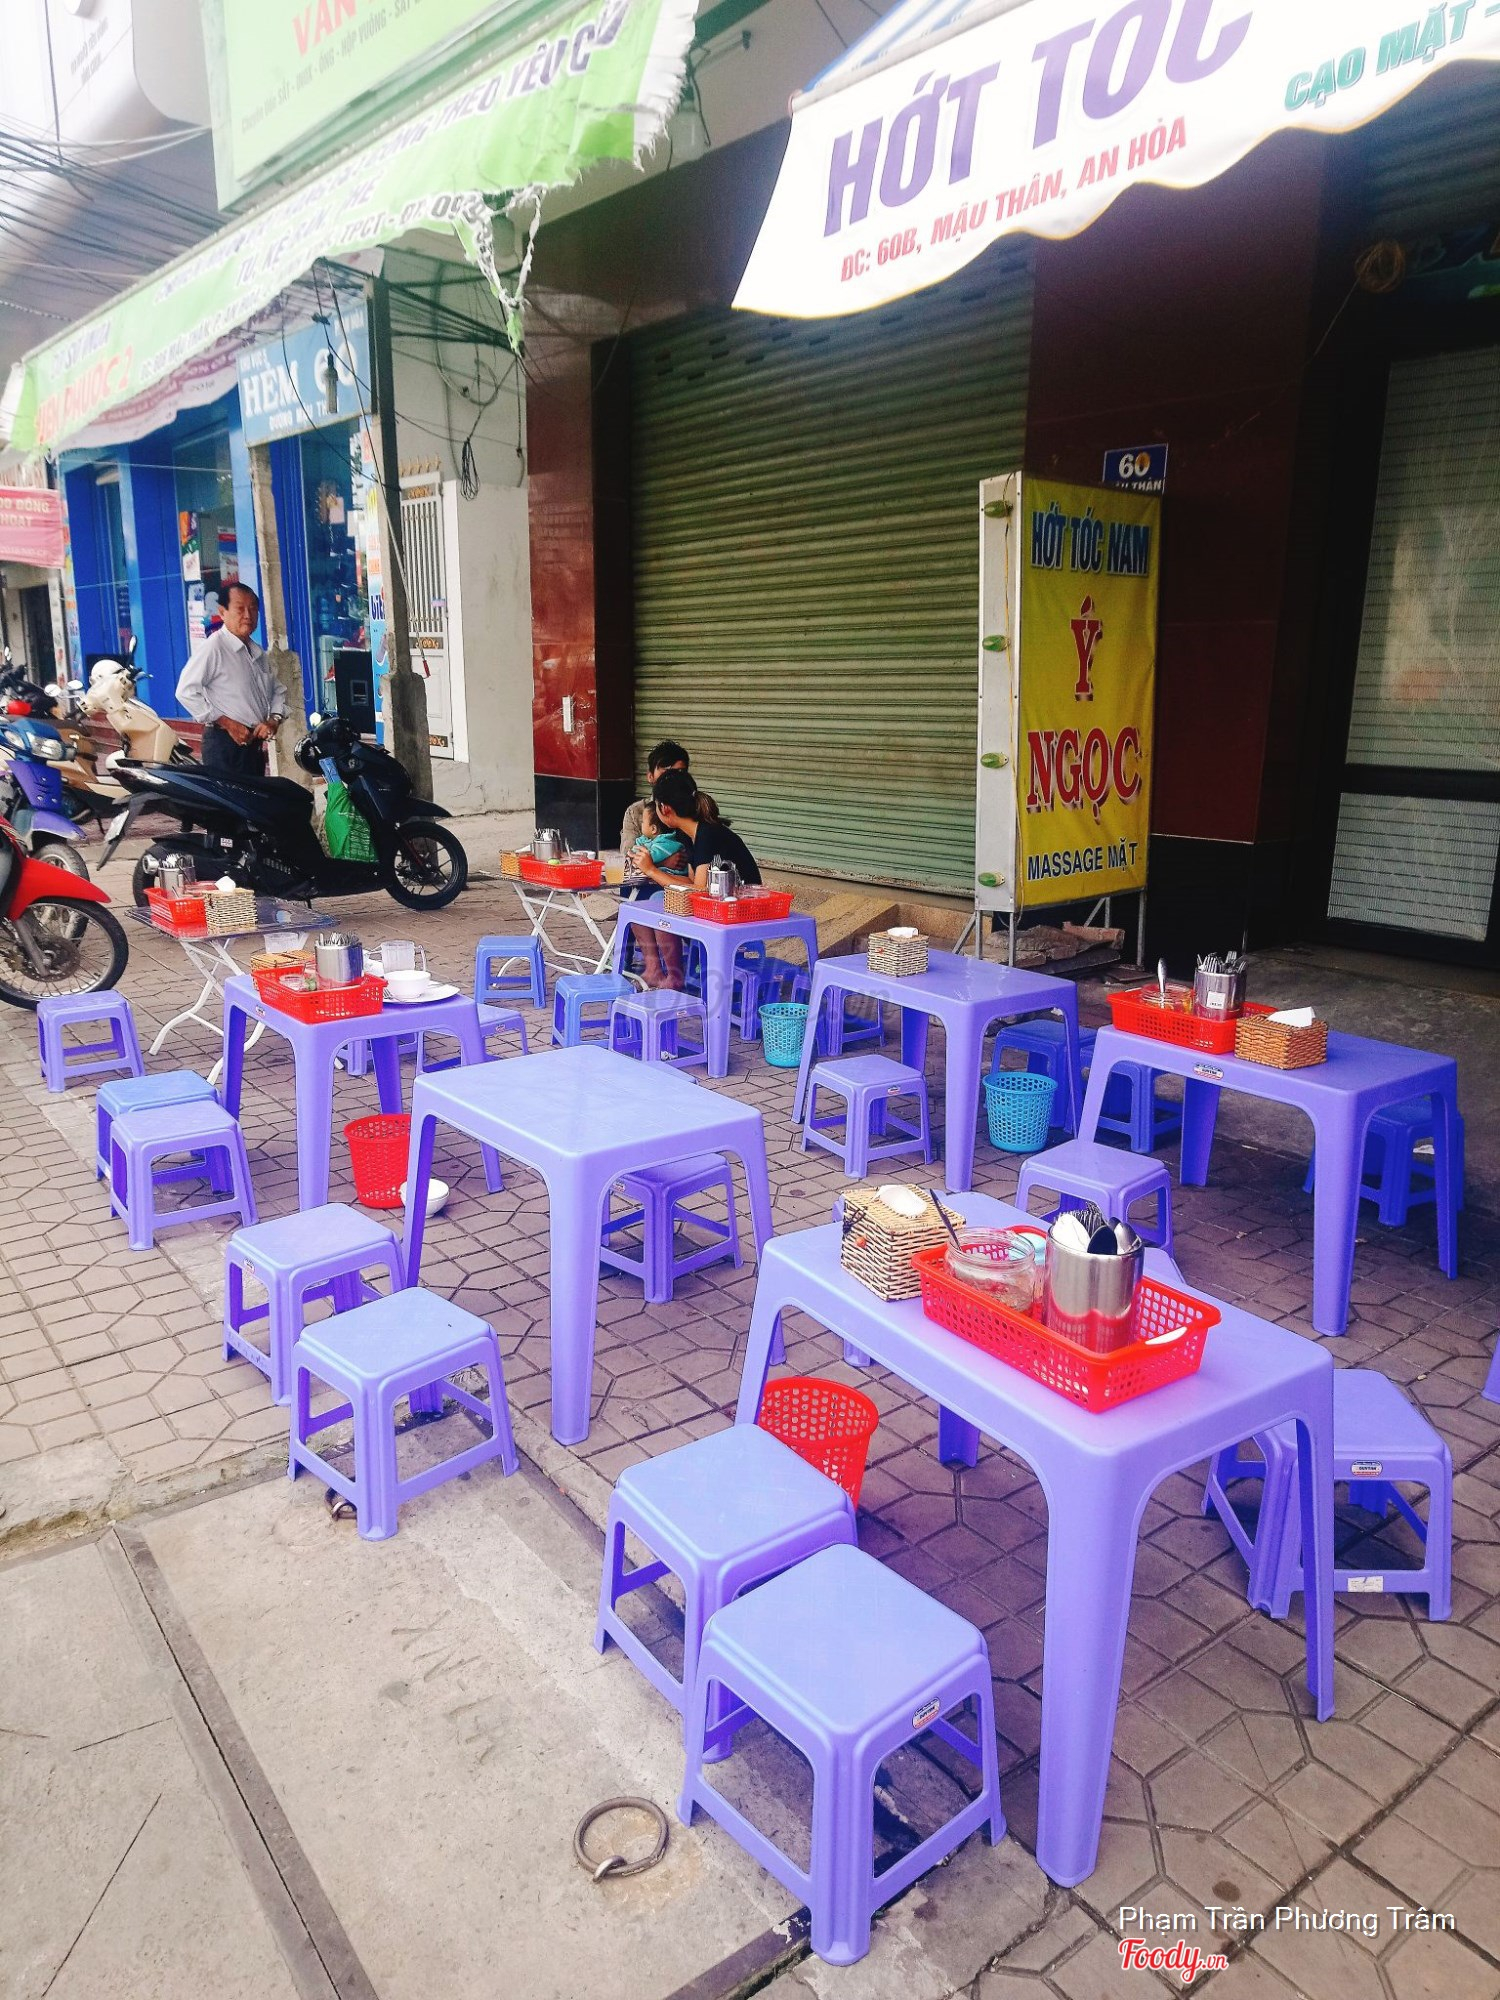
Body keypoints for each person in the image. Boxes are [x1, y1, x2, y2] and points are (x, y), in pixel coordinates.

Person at [175, 581, 286, 775]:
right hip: (225, 746)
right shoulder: (214, 647)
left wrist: (273, 720)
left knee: (254, 795)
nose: (248, 615)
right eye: (240, 609)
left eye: (253, 609)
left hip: (252, 745)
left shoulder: (257, 652)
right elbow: (185, 691)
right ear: (222, 612)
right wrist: (227, 723)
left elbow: (277, 690)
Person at [619, 739, 690, 894]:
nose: (672, 779)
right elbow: (628, 858)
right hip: (643, 884)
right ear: (650, 776)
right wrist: (663, 863)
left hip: (682, 886)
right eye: (666, 772)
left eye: (679, 772)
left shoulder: (694, 810)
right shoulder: (636, 812)